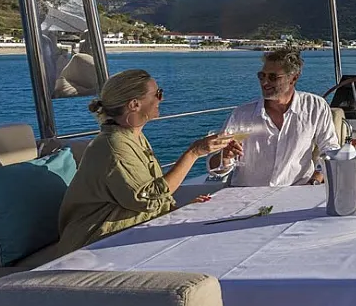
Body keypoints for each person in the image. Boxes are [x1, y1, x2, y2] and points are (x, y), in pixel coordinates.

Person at [58, 69, 229, 253]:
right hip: (96, 243)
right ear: (134, 104)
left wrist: (178, 210)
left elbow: (144, 197)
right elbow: (147, 199)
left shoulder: (132, 137)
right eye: (158, 94)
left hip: (125, 234)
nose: (161, 99)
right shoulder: (114, 146)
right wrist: (194, 152)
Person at [210, 48, 340, 186]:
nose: (264, 82)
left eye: (272, 77)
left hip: (297, 191)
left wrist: (317, 178)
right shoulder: (241, 115)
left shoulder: (315, 106)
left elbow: (330, 149)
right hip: (247, 194)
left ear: (293, 78)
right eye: (262, 76)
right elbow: (215, 168)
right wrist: (225, 158)